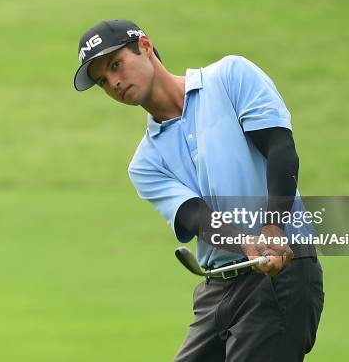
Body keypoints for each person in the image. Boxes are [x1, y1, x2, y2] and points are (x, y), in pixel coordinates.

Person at [73, 19, 324, 362]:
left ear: (145, 46)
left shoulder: (231, 76)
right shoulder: (145, 163)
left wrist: (272, 229)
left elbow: (280, 150)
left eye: (116, 65)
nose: (114, 82)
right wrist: (245, 242)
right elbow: (196, 216)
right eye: (103, 80)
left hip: (279, 272)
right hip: (217, 289)